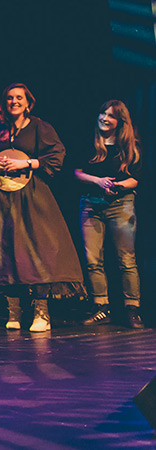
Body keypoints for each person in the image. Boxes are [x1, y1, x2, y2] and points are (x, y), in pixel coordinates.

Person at [0, 83, 84, 332]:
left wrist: (26, 163)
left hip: (32, 196)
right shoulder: (0, 131)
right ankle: (14, 310)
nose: (13, 101)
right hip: (4, 198)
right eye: (9, 98)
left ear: (28, 102)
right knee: (6, 250)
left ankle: (41, 312)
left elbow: (57, 155)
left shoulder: (39, 127)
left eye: (19, 98)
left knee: (36, 251)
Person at [76, 100, 142, 329]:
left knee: (126, 260)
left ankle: (132, 309)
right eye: (102, 113)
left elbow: (135, 178)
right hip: (90, 205)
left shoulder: (131, 147)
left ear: (120, 122)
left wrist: (119, 186)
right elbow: (76, 172)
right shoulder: (91, 142)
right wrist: (98, 181)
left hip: (120, 204)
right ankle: (101, 308)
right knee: (93, 259)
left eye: (111, 116)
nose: (104, 118)